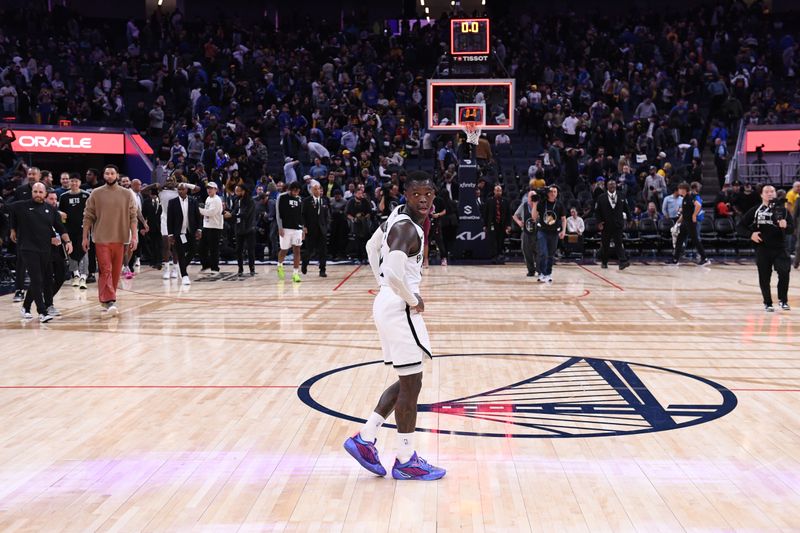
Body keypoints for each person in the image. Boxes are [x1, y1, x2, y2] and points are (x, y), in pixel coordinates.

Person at [343, 171, 445, 481]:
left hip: (388, 303)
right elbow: (392, 268)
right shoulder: (407, 229)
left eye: (429, 193)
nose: (424, 199)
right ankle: (405, 459)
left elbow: (371, 249)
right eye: (417, 194)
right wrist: (410, 297)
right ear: (406, 194)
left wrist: (383, 285)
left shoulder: (395, 216)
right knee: (412, 384)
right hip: (399, 308)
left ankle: (365, 438)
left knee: (407, 381)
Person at [9, 182, 72, 323]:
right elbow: (9, 210)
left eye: (40, 192)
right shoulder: (21, 205)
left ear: (45, 194)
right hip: (27, 248)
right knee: (36, 279)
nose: (37, 194)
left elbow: (61, 228)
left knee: (41, 280)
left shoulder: (50, 210)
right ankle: (42, 312)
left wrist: (68, 242)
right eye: (35, 191)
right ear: (32, 192)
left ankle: (25, 307)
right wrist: (13, 229)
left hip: (45, 249)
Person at [82, 165, 138, 317]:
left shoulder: (127, 194)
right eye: (107, 173)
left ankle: (105, 300)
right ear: (104, 175)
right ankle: (110, 300)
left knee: (115, 272)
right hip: (101, 238)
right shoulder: (96, 193)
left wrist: (134, 236)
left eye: (112, 173)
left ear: (117, 175)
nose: (109, 175)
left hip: (120, 238)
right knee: (105, 269)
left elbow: (133, 216)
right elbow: (88, 216)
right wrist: (84, 237)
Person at [738, 185, 794, 311]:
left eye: (772, 191)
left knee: (784, 272)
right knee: (764, 276)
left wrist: (786, 226)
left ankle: (783, 300)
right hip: (762, 248)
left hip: (780, 248)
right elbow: (740, 226)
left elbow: (791, 229)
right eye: (767, 192)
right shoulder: (755, 210)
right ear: (761, 195)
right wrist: (750, 234)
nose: (770, 194)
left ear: (775, 194)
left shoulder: (783, 211)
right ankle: (767, 302)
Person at [58, 174, 90, 289]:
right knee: (70, 251)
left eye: (76, 181)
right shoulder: (64, 196)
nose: (74, 183)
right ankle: (75, 274)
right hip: (69, 229)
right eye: (72, 181)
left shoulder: (86, 195)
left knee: (84, 251)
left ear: (80, 182)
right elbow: (60, 213)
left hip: (83, 229)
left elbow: (91, 212)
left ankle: (83, 276)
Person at [167, 182, 202, 285]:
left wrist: (199, 229)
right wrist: (170, 235)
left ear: (187, 190)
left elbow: (198, 217)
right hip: (179, 233)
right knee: (181, 254)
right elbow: (170, 220)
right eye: (179, 189)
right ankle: (185, 275)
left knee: (193, 251)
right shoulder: (172, 202)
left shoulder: (193, 201)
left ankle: (181, 266)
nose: (180, 191)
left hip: (190, 231)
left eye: (182, 189)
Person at [670, 182, 710, 266]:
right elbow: (684, 213)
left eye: (680, 189)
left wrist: (694, 215)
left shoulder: (690, 196)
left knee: (695, 240)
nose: (679, 190)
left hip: (691, 223)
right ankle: (675, 259)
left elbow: (698, 205)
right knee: (679, 240)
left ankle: (705, 258)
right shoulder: (684, 198)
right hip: (685, 222)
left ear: (684, 190)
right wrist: (677, 222)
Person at [533, 185, 566, 283]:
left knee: (551, 255)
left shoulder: (560, 205)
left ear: (557, 193)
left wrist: (563, 231)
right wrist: (535, 204)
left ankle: (548, 274)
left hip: (554, 233)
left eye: (555, 192)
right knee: (543, 253)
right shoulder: (542, 203)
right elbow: (534, 217)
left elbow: (564, 219)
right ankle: (542, 273)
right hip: (542, 231)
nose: (553, 193)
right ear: (547, 193)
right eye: (551, 191)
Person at [595, 179, 631, 270]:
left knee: (619, 243)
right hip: (606, 224)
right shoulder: (601, 197)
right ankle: (604, 262)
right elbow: (597, 212)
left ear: (616, 186)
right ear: (607, 186)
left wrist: (630, 219)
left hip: (618, 224)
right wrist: (599, 222)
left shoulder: (621, 195)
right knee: (605, 244)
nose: (612, 186)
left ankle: (623, 261)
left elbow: (627, 209)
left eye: (614, 184)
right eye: (610, 185)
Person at [44, 190, 68, 315]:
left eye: (55, 199)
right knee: (46, 278)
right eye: (51, 199)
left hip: (58, 249)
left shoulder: (56, 213)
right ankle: (48, 304)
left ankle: (46, 299)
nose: (54, 202)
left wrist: (68, 241)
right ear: (45, 199)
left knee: (61, 274)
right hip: (44, 249)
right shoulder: (40, 213)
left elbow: (62, 228)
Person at [301, 179, 330, 277]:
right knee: (309, 250)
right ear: (312, 190)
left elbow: (327, 216)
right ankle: (304, 264)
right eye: (315, 189)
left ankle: (322, 270)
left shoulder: (324, 201)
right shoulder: (306, 201)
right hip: (310, 229)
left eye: (318, 189)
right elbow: (303, 215)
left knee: (323, 251)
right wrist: (304, 227)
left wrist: (326, 227)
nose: (317, 191)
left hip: (322, 230)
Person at [276, 181, 304, 282]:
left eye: (298, 191)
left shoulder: (300, 199)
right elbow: (278, 213)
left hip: (297, 228)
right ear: (290, 189)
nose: (296, 193)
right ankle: (279, 265)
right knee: (284, 250)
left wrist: (303, 228)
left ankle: (295, 273)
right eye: (294, 191)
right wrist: (280, 227)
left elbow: (301, 215)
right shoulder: (282, 197)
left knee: (297, 250)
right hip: (285, 228)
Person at [230, 183, 256, 276]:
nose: (236, 192)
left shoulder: (250, 201)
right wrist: (229, 213)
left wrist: (233, 215)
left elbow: (245, 214)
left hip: (249, 228)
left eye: (238, 191)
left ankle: (252, 268)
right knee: (238, 250)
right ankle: (240, 269)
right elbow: (234, 211)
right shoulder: (236, 200)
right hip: (239, 228)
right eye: (235, 191)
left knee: (250, 250)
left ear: (243, 191)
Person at [513, 188, 539, 277]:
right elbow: (515, 216)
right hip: (526, 232)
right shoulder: (523, 205)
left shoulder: (540, 206)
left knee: (538, 252)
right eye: (531, 196)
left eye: (534, 196)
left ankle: (539, 269)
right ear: (527, 198)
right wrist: (519, 222)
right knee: (526, 252)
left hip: (538, 232)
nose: (532, 198)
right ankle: (531, 270)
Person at [482, 185, 511, 264]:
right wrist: (484, 225)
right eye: (497, 190)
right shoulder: (489, 201)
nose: (498, 192)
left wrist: (508, 225)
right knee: (493, 241)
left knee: (500, 241)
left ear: (501, 192)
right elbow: (485, 214)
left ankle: (500, 256)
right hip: (492, 224)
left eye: (500, 190)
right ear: (494, 191)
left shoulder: (506, 201)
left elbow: (509, 214)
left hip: (502, 224)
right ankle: (494, 257)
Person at [198, 181, 223, 273]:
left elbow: (211, 213)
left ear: (216, 189)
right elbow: (206, 212)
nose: (209, 190)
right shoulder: (208, 198)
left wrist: (199, 210)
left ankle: (215, 268)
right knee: (202, 247)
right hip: (207, 226)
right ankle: (206, 265)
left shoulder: (217, 200)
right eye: (208, 188)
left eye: (211, 188)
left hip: (215, 227)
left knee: (213, 249)